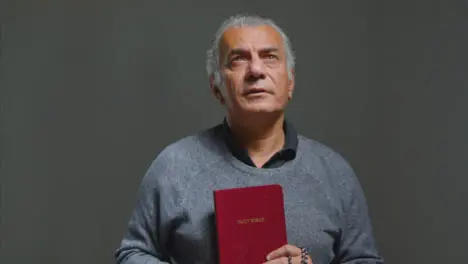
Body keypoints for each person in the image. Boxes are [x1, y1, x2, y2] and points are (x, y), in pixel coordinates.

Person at [114, 14, 384, 264]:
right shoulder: (174, 166)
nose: (256, 70)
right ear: (216, 87)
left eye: (270, 57)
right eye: (238, 59)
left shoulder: (334, 173)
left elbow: (365, 260)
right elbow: (131, 254)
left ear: (290, 82)